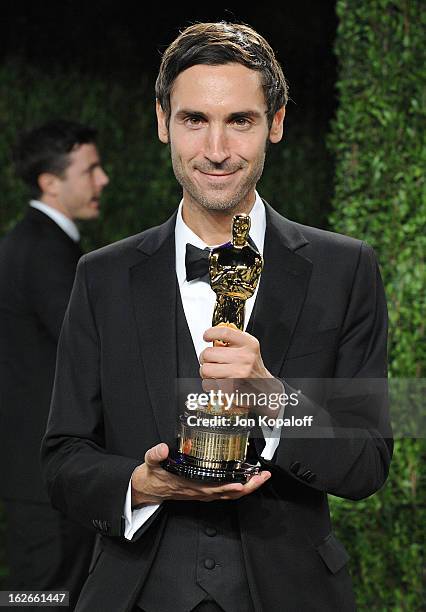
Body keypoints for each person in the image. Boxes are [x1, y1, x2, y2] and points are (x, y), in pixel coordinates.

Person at [41, 23, 393, 612]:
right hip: (134, 594)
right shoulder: (100, 276)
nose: (216, 149)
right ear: (163, 122)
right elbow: (61, 458)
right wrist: (141, 484)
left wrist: (271, 398)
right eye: (194, 119)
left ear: (275, 124)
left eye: (241, 120)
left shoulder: (346, 268)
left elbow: (368, 461)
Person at [0, 119, 109, 607]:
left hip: (39, 474)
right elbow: (88, 348)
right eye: (90, 169)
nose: (102, 180)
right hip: (43, 479)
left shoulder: (36, 242)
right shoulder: (44, 250)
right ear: (50, 182)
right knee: (40, 599)